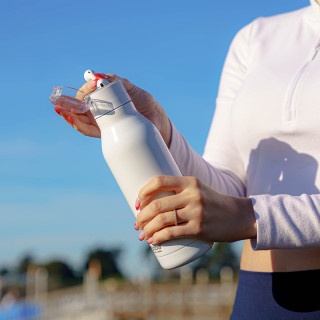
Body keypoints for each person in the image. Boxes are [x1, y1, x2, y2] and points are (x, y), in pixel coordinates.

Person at [54, 0, 320, 318]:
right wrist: (157, 128)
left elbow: (239, 210)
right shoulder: (255, 38)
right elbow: (228, 190)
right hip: (260, 296)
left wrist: (252, 217)